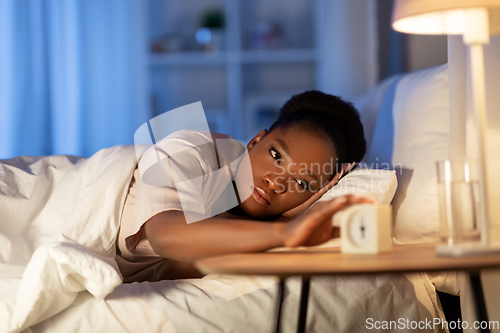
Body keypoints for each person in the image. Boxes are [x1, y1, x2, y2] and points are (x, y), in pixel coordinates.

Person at [116, 90, 371, 282]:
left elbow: (180, 265)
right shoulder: (194, 151)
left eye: (302, 182)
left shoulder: (257, 228)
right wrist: (283, 233)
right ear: (255, 141)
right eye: (276, 155)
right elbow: (165, 236)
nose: (276, 182)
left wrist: (282, 225)